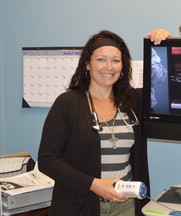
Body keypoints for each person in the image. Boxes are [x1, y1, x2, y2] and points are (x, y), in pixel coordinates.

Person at [38, 29, 172, 216]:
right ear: (87, 64)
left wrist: (163, 42)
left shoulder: (133, 100)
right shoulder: (67, 103)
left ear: (123, 66)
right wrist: (94, 184)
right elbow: (47, 160)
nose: (109, 67)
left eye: (116, 61)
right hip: (80, 205)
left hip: (125, 205)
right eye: (101, 59)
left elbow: (164, 78)